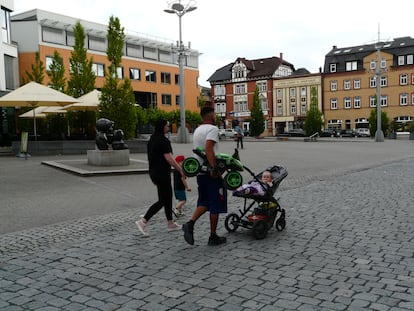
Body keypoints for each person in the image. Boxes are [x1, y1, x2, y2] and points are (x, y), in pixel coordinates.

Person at [182, 106, 227, 246]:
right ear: (210, 115)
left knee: (204, 202)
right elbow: (208, 148)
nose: (216, 116)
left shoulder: (197, 130)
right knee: (215, 203)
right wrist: (214, 168)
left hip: (200, 172)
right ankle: (212, 236)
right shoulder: (212, 129)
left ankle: (190, 224)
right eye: (214, 113)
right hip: (210, 172)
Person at [135, 118, 186, 236]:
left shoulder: (152, 139)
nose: (168, 127)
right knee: (163, 200)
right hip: (162, 173)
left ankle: (170, 223)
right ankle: (143, 221)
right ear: (162, 127)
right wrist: (180, 169)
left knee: (167, 197)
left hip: (154, 172)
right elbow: (169, 158)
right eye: (167, 126)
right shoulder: (163, 141)